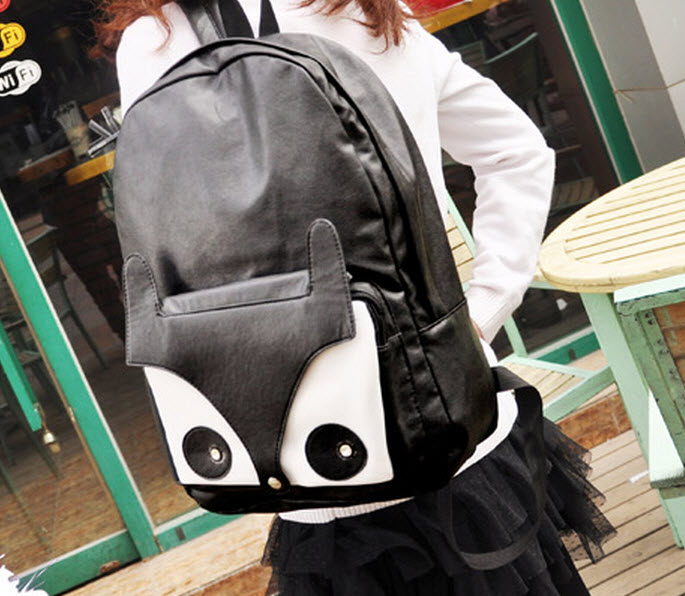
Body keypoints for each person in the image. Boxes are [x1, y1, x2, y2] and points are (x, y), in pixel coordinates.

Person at [93, 1, 615, 593]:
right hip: (445, 423)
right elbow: (515, 151)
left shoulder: (152, 41)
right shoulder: (363, 10)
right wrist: (480, 312)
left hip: (303, 462)